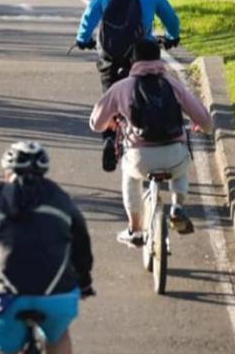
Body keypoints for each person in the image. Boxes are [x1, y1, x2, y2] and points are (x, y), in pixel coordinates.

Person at [0, 141, 95, 354]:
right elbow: (81, 243)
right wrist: (84, 282)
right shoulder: (60, 197)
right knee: (58, 338)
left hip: (5, 296)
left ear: (7, 171)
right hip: (57, 295)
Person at [89, 39, 212, 245]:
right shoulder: (173, 85)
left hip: (140, 158)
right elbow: (205, 120)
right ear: (158, 58)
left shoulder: (122, 87)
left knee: (130, 177)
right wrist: (202, 125)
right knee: (181, 171)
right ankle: (177, 206)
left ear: (133, 61)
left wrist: (110, 122)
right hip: (174, 157)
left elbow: (96, 123)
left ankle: (135, 229)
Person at [75, 0, 181, 172]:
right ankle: (151, 136)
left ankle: (108, 137)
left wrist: (83, 40)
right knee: (145, 94)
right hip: (141, 58)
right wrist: (172, 38)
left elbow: (88, 19)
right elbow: (171, 19)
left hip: (110, 58)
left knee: (111, 97)